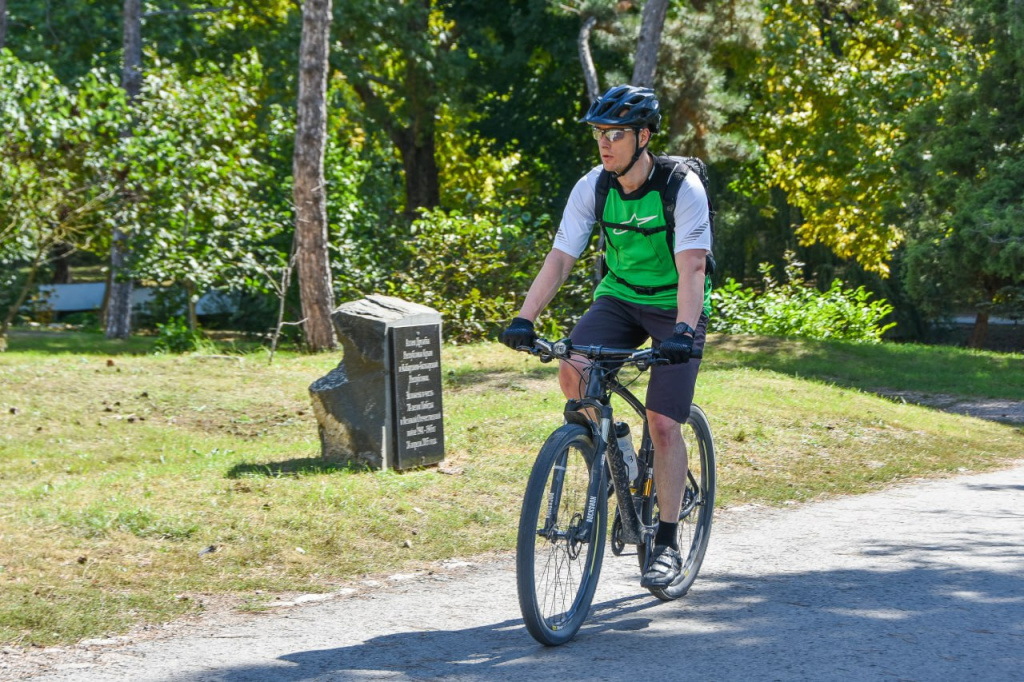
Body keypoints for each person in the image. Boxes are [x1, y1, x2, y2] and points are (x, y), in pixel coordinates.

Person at [500, 84, 712, 589]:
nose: (604, 143)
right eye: (598, 133)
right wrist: (525, 318)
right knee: (574, 373)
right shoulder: (593, 186)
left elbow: (693, 268)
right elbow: (561, 259)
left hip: (673, 306)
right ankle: (613, 446)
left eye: (614, 133)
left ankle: (665, 541)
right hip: (618, 297)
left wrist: (683, 331)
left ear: (642, 136)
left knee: (662, 423)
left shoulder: (681, 188)